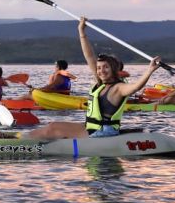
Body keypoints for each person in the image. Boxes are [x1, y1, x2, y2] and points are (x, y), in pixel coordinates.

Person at [19, 18, 161, 140]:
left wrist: (149, 70)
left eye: (105, 67)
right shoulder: (100, 83)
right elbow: (89, 56)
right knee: (53, 126)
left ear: (113, 69)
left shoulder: (118, 87)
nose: (101, 70)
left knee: (53, 129)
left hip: (103, 132)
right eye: (99, 68)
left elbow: (136, 87)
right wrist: (82, 32)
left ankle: (19, 142)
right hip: (92, 127)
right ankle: (18, 138)